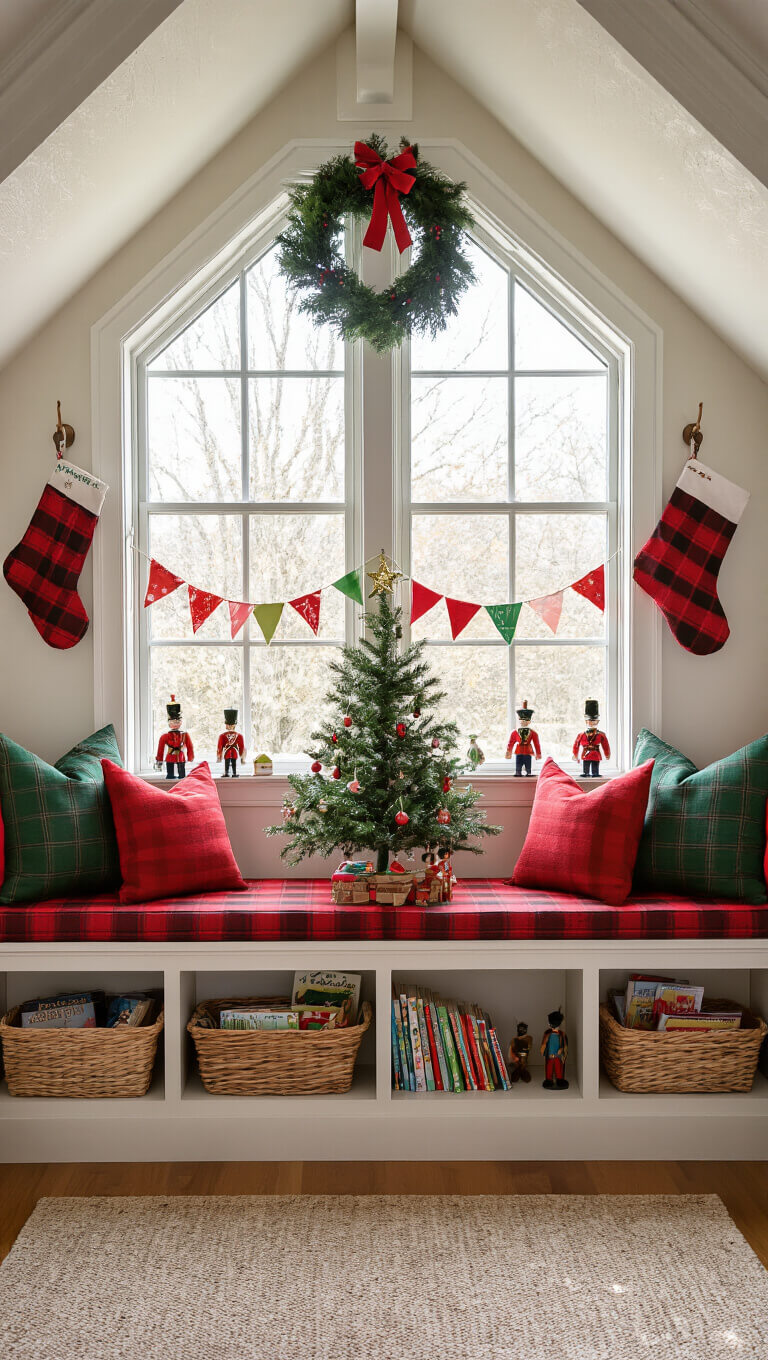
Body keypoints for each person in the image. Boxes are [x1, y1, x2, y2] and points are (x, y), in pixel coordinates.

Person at [155, 696, 194, 779]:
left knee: (182, 775)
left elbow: (189, 747)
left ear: (180, 722)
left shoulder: (184, 735)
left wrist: (190, 757)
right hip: (170, 756)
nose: (175, 723)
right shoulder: (165, 736)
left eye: (177, 721)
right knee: (170, 775)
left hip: (180, 756)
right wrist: (159, 759)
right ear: (169, 723)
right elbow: (160, 749)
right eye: (173, 721)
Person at [572, 698, 610, 777]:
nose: (592, 723)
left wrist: (607, 754)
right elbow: (576, 745)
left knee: (595, 765)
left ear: (597, 721)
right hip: (586, 754)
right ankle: (586, 772)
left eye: (594, 721)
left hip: (595, 754)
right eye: (590, 721)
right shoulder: (581, 734)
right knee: (586, 764)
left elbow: (605, 745)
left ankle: (595, 773)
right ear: (586, 721)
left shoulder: (601, 735)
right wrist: (575, 754)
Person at [505, 702, 541, 776]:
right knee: (518, 762)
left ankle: (528, 772)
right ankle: (518, 772)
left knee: (528, 762)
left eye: (525, 720)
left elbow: (536, 744)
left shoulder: (533, 733)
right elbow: (511, 742)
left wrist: (538, 753)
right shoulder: (514, 732)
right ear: (519, 720)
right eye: (522, 720)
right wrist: (509, 752)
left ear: (529, 722)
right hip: (519, 750)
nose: (523, 722)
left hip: (528, 750)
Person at [540, 1009, 569, 1090]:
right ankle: (549, 1080)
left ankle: (559, 1079)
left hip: (557, 1056)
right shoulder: (548, 1033)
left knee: (558, 1068)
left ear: (550, 1024)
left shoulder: (561, 1034)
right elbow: (544, 1044)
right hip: (550, 1055)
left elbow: (564, 1045)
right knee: (549, 1068)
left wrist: (562, 1050)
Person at [217, 708, 246, 777]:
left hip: (229, 752)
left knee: (232, 763)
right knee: (231, 763)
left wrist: (219, 755)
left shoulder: (222, 735)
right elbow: (241, 748)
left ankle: (231, 773)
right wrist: (242, 756)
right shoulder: (239, 735)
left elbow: (220, 747)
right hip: (232, 752)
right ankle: (231, 773)